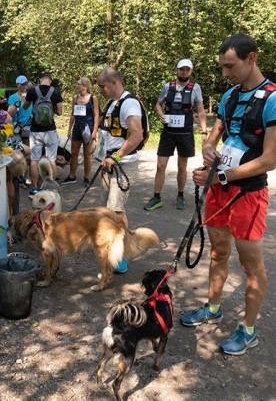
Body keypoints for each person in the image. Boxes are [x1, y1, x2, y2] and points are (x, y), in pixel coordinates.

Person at [180, 34, 276, 356]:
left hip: (248, 195)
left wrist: (222, 174)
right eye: (222, 67)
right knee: (217, 252)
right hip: (218, 190)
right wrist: (209, 152)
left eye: (230, 66)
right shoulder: (228, 96)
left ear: (251, 58)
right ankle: (213, 307)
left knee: (251, 264)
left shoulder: (274, 99)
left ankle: (249, 329)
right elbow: (212, 138)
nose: (225, 73)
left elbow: (270, 159)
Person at [96, 67, 145, 274]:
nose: (100, 90)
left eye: (102, 86)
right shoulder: (112, 104)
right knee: (110, 210)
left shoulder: (129, 103)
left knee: (116, 211)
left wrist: (115, 156)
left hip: (122, 165)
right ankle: (114, 248)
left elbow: (137, 135)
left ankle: (122, 255)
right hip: (109, 165)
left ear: (114, 83)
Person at [144, 59, 208, 211]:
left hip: (185, 132)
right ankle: (157, 197)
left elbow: (200, 110)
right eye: (181, 69)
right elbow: (158, 104)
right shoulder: (168, 86)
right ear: (177, 70)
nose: (184, 72)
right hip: (168, 132)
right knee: (160, 166)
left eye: (187, 70)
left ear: (191, 71)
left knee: (182, 166)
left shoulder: (195, 88)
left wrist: (204, 132)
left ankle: (180, 195)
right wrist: (161, 115)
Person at [22, 72, 63, 194]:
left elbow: (25, 107)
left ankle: (35, 187)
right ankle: (52, 188)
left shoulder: (33, 91)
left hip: (35, 130)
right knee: (52, 160)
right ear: (50, 81)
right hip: (50, 130)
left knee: (34, 160)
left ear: (40, 80)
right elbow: (60, 112)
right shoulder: (56, 92)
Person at [63, 77, 99, 187]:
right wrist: (69, 130)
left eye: (79, 84)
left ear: (85, 86)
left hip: (88, 127)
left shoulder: (93, 98)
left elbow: (96, 115)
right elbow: (73, 114)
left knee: (87, 154)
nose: (76, 86)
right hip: (77, 127)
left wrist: (94, 131)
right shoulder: (75, 98)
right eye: (77, 83)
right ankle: (72, 176)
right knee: (74, 153)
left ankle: (86, 177)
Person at [7, 75, 33, 146]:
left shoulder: (30, 96)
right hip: (16, 128)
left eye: (25, 84)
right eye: (22, 84)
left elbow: (34, 108)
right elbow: (9, 114)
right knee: (16, 150)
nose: (24, 86)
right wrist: (19, 101)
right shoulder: (13, 97)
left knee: (29, 151)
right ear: (17, 85)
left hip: (28, 127)